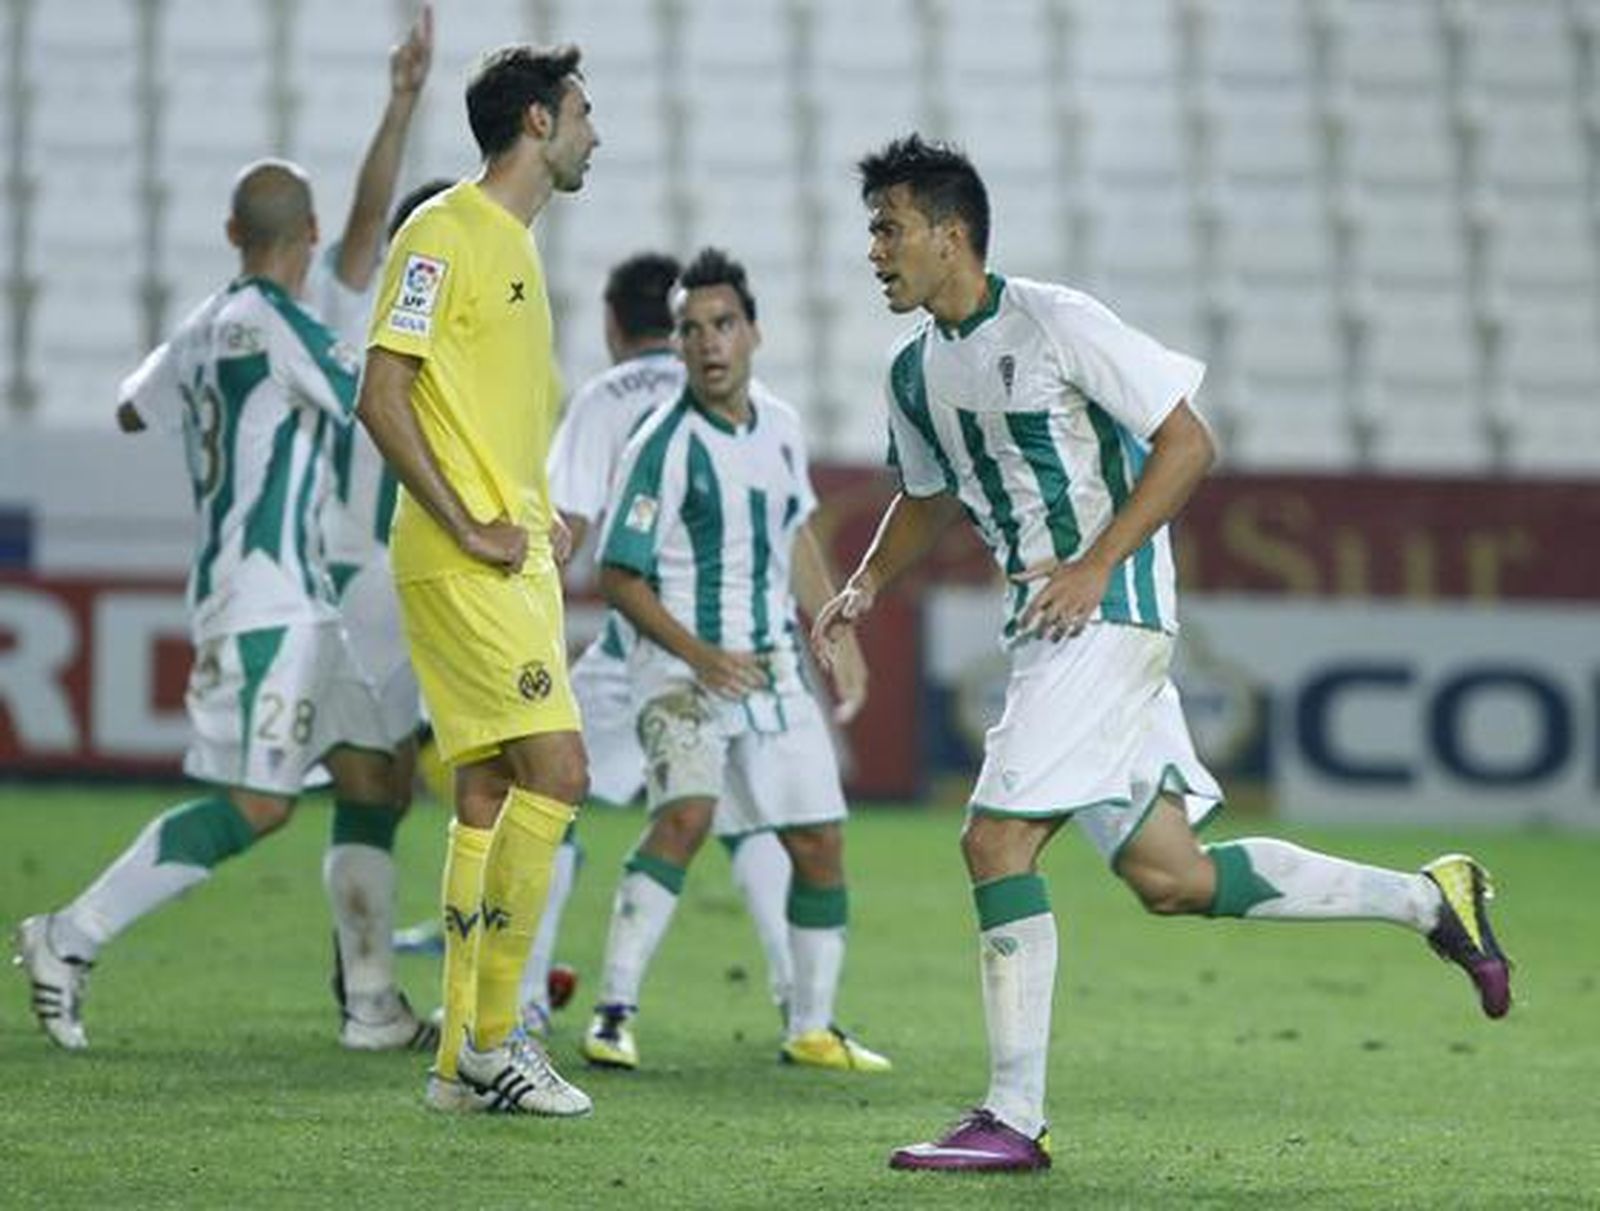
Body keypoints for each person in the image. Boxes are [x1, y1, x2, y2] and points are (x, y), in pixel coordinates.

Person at [811, 134, 1513, 1173]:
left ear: (949, 235)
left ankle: (1013, 1114)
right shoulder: (916, 368)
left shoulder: (1057, 320)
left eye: (889, 228)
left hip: (1107, 610)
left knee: (993, 839)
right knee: (1169, 874)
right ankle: (1429, 898)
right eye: (873, 229)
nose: (873, 250)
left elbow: (1189, 442)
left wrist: (1095, 563)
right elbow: (927, 495)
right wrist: (864, 582)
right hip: (1048, 621)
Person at [13, 158, 432, 1052]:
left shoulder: (205, 326)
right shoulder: (280, 329)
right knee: (258, 802)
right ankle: (66, 937)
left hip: (296, 603)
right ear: (309, 236)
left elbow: (132, 410)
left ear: (233, 236)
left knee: (372, 774)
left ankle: (369, 1005)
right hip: (264, 604)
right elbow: (373, 395)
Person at [356, 42, 599, 1116]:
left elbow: (473, 413)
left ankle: (459, 1056)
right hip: (466, 560)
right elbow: (382, 391)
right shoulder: (442, 231)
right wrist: (469, 520)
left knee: (491, 790)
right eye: (584, 112)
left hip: (514, 555)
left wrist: (532, 515)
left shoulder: (513, 247)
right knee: (561, 770)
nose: (598, 131)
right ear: (538, 122)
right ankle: (501, 1037)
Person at [578, 248, 888, 1075]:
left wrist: (837, 636)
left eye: (722, 325)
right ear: (675, 344)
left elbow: (794, 536)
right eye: (690, 330)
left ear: (753, 332)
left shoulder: (781, 426)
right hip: (680, 672)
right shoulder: (663, 442)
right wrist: (698, 653)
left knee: (820, 843)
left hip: (772, 669)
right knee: (684, 814)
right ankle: (612, 1011)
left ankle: (812, 1026)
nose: (708, 343)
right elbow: (617, 572)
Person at [534, 252, 824, 1037]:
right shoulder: (751, 402)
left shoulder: (603, 400)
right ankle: (796, 1002)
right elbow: (789, 530)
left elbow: (572, 533)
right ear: (674, 327)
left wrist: (532, 641)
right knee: (749, 814)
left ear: (609, 325)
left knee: (543, 795)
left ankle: (527, 994)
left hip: (640, 650)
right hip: (722, 651)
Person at [304, 2, 446, 1044]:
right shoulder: (373, 308)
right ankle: (368, 997)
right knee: (371, 781)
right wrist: (399, 107)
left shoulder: (474, 329)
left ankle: (378, 984)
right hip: (368, 576)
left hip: (409, 580)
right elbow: (362, 228)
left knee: (388, 783)